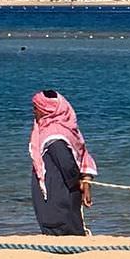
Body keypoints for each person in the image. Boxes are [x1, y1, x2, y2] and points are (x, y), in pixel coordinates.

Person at [28, 90, 98, 235]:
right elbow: (82, 156)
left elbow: (67, 165)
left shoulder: (53, 134)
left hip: (59, 196)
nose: (34, 112)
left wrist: (80, 183)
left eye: (36, 108)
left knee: (62, 230)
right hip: (64, 194)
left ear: (47, 109)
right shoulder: (69, 130)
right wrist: (84, 181)